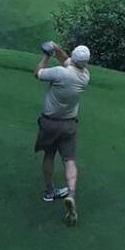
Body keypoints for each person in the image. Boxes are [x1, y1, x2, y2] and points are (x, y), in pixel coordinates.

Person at [33, 41, 91, 225]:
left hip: (50, 123)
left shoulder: (59, 72)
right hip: (69, 125)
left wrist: (46, 55)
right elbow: (67, 60)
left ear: (74, 56)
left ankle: (50, 191)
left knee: (49, 155)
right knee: (69, 160)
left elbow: (38, 73)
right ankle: (71, 193)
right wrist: (57, 48)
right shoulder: (84, 76)